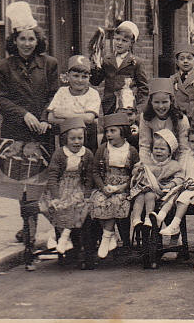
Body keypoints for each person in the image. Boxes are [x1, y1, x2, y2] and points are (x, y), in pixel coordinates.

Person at [0, 1, 58, 269]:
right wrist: (24, 114)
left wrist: (44, 118)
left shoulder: (50, 64)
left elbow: (56, 95)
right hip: (16, 135)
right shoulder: (3, 67)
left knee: (42, 189)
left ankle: (67, 234)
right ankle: (29, 248)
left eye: (32, 38)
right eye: (22, 39)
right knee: (23, 192)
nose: (27, 43)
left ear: (38, 40)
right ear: (15, 40)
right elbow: (0, 99)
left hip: (42, 134)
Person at [38, 118, 95, 267]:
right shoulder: (60, 154)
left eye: (80, 138)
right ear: (65, 139)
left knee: (80, 208)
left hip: (79, 187)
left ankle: (79, 247)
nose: (77, 142)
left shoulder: (87, 154)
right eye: (73, 139)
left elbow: (89, 176)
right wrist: (56, 196)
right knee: (57, 207)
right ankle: (66, 245)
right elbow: (53, 176)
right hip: (62, 187)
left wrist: (87, 193)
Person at [91, 113, 139, 259]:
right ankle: (110, 235)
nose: (109, 135)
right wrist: (102, 187)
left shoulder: (131, 151)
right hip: (105, 186)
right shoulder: (103, 149)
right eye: (107, 131)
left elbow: (135, 174)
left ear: (123, 132)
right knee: (97, 201)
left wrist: (123, 187)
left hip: (123, 188)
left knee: (117, 202)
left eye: (113, 131)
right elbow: (95, 171)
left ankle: (106, 236)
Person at [129, 129, 186, 229]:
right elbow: (135, 171)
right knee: (139, 197)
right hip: (146, 188)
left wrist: (171, 184)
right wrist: (138, 171)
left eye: (162, 149)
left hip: (162, 190)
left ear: (169, 152)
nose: (158, 151)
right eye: (156, 148)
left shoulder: (173, 165)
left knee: (149, 196)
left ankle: (148, 218)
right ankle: (136, 219)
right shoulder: (147, 162)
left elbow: (180, 178)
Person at [90, 20, 148, 115]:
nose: (119, 43)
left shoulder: (137, 62)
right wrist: (95, 65)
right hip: (109, 106)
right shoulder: (107, 59)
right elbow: (95, 81)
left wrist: (138, 109)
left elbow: (143, 88)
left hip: (127, 106)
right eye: (117, 39)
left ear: (131, 43)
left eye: (124, 41)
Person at [47, 55, 101, 154]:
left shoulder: (93, 93)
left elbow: (89, 118)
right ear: (68, 76)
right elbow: (51, 117)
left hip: (86, 138)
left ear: (89, 78)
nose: (80, 80)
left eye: (84, 77)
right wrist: (81, 117)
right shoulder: (62, 91)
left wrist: (63, 114)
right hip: (65, 138)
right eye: (76, 76)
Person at [138, 78, 190, 164]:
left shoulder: (181, 119)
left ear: (171, 101)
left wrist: (179, 171)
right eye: (156, 102)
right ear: (151, 102)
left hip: (175, 163)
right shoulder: (146, 118)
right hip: (153, 161)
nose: (161, 106)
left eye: (165, 102)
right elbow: (144, 147)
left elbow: (184, 150)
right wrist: (149, 169)